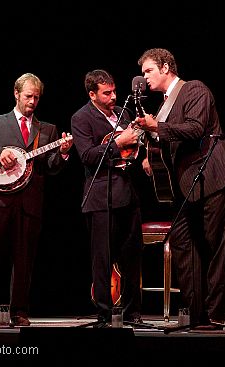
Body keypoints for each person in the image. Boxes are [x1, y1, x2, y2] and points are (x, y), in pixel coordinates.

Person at [135, 48, 225, 329]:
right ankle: (196, 314)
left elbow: (195, 128)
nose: (145, 77)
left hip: (213, 177)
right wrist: (149, 152)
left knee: (216, 244)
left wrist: (156, 126)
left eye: (149, 71)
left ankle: (215, 314)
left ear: (166, 66)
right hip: (189, 184)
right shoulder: (164, 105)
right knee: (184, 242)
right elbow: (167, 136)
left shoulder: (194, 89)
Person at [0, 72, 72, 327]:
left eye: (36, 97)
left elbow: (51, 166)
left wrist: (64, 154)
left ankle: (19, 311)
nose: (32, 102)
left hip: (30, 201)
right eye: (28, 96)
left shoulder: (47, 130)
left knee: (24, 258)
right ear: (16, 94)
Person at [71, 69, 144, 327]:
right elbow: (88, 155)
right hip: (101, 195)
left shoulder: (122, 114)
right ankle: (104, 312)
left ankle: (132, 311)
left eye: (114, 90)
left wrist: (141, 148)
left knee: (132, 254)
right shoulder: (81, 118)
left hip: (128, 193)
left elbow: (133, 145)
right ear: (92, 95)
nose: (114, 96)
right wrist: (118, 142)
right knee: (102, 257)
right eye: (107, 93)